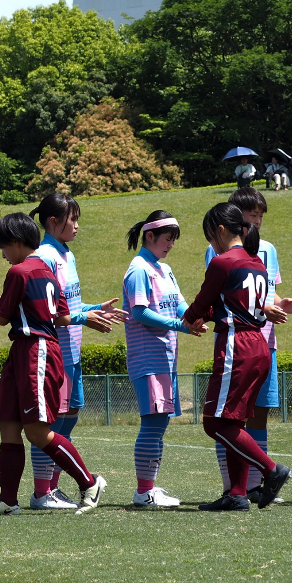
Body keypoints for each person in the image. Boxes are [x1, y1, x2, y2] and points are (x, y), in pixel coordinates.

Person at [0, 213, 107, 515]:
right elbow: (63, 316)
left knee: (37, 432)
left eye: (4, 248)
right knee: (8, 424)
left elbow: (2, 318)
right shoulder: (47, 271)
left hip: (36, 350)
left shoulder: (19, 272)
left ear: (18, 243)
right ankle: (8, 500)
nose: (4, 255)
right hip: (24, 350)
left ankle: (89, 483)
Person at [182, 203, 292, 511]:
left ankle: (272, 470)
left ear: (219, 230)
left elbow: (204, 300)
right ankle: (237, 493)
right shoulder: (257, 262)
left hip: (237, 344)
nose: (211, 244)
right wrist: (204, 314)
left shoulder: (222, 262)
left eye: (209, 235)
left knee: (215, 423)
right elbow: (225, 300)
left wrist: (190, 319)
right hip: (259, 344)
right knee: (235, 421)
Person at [28, 194, 122, 509]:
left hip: (73, 352)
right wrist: (85, 317)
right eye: (73, 219)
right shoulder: (44, 255)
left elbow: (70, 304)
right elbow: (49, 309)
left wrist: (95, 309)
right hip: (54, 354)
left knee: (68, 418)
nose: (78, 226)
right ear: (53, 222)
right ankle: (42, 492)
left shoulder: (67, 254)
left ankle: (52, 489)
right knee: (49, 425)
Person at [207, 189, 292, 501]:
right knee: (230, 417)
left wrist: (278, 303)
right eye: (251, 216)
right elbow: (226, 295)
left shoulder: (267, 250)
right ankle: (239, 488)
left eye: (261, 216)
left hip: (262, 341)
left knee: (252, 415)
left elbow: (266, 290)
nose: (257, 222)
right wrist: (261, 307)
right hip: (239, 341)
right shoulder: (219, 249)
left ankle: (262, 482)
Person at [123, 210, 196, 508]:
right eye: (167, 239)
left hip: (166, 359)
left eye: (174, 240)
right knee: (152, 424)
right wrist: (180, 325)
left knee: (160, 423)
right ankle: (143, 492)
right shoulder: (139, 269)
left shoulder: (163, 270)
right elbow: (139, 312)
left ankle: (149, 487)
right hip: (148, 358)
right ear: (150, 236)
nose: (171, 245)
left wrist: (194, 318)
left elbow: (179, 304)